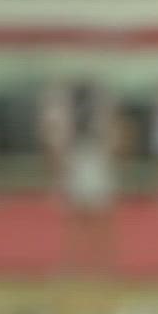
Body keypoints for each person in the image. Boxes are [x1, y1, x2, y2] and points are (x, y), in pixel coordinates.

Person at [60, 79, 120, 278]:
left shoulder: (102, 113)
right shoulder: (71, 113)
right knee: (78, 215)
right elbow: (65, 139)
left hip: (95, 160)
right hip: (81, 159)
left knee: (100, 217)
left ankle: (104, 259)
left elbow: (112, 137)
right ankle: (75, 259)